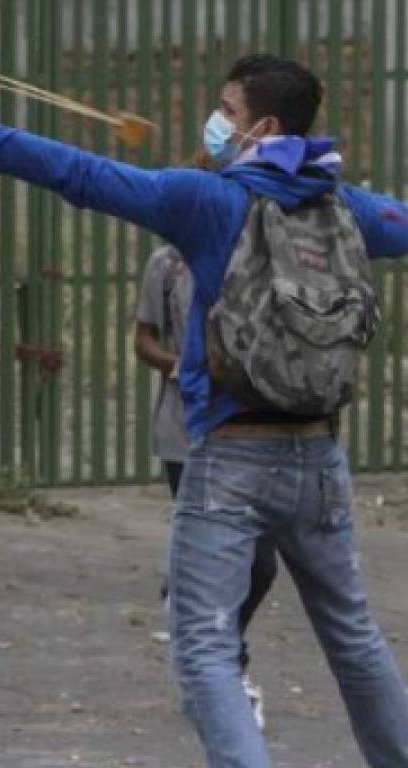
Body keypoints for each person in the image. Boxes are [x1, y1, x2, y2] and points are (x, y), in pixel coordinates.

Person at [0, 53, 408, 768]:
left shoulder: (206, 201)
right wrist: (321, 180)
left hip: (231, 453)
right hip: (320, 454)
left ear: (262, 127)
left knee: (202, 644)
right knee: (352, 634)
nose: (216, 120)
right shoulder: (339, 203)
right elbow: (404, 232)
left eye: (227, 108)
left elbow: (82, 175)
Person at [133, 240, 276, 729]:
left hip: (255, 429)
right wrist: (182, 365)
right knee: (218, 562)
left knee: (259, 564)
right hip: (186, 432)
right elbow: (144, 340)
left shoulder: (266, 249)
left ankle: (192, 611)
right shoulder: (169, 261)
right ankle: (229, 675)